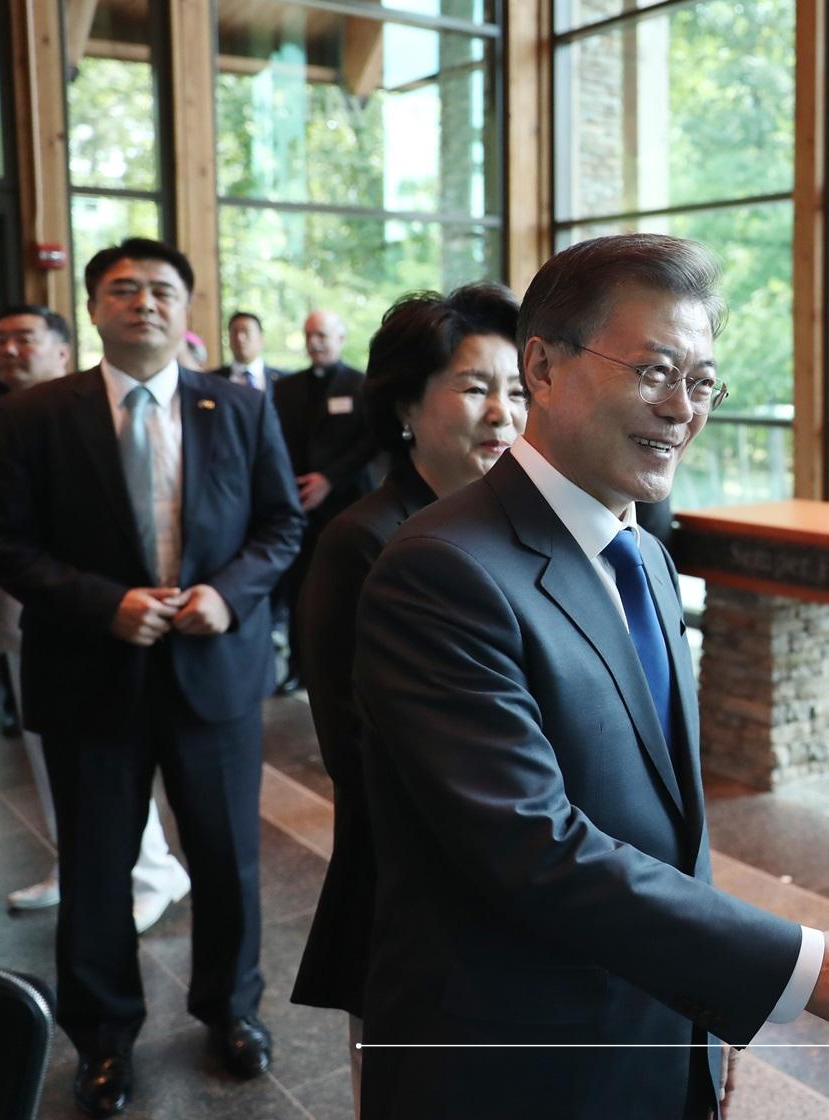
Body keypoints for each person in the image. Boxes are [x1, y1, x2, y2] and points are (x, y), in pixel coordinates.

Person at [352, 235, 829, 1119]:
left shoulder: (645, 556)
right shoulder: (441, 570)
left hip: (656, 1027)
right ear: (541, 365)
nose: (682, 410)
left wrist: (706, 1010)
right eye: (654, 371)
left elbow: (666, 827)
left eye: (701, 382)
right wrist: (807, 966)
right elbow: (535, 850)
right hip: (518, 1065)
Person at [0, 238, 305, 1118]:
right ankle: (103, 1039)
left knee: (229, 861)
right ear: (92, 309)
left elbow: (280, 525)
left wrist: (228, 598)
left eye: (163, 289)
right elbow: (1, 540)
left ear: (186, 310)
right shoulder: (37, 415)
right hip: (91, 674)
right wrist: (104, 602)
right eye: (123, 289)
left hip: (215, 673)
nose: (145, 303)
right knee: (94, 869)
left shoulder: (235, 407)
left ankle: (231, 1010)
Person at [291, 283, 528, 1113]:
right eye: (474, 387)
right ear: (404, 406)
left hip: (524, 882)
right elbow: (355, 751)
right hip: (413, 890)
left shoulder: (517, 526)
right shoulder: (363, 541)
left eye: (519, 391)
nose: (503, 414)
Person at [0, 305, 193, 931]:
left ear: (63, 349)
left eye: (25, 339)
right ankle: (72, 862)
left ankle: (153, 869)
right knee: (54, 758)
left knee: (115, 753)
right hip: (25, 614)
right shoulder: (11, 417)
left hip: (103, 616)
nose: (9, 351)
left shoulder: (88, 412)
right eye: (0, 340)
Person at [271, 309, 378, 691]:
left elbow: (370, 441)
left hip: (346, 502)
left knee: (351, 589)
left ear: (340, 337)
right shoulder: (285, 387)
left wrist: (328, 480)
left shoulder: (361, 385)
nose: (314, 342)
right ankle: (300, 668)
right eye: (309, 334)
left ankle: (353, 672)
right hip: (298, 506)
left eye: (322, 335)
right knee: (301, 591)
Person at [220, 311, 283, 391]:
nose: (239, 338)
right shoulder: (212, 380)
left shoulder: (283, 380)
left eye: (246, 331)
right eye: (234, 332)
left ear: (261, 339)